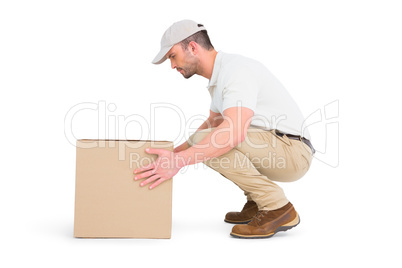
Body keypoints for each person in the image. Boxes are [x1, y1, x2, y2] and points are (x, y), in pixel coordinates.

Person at [133, 20, 315, 239]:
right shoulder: (219, 77)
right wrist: (175, 154)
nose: (172, 66)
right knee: (209, 137)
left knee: (215, 139)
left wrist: (179, 161)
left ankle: (277, 207)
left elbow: (233, 133)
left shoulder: (235, 71)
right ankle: (257, 201)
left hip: (292, 151)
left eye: (172, 56)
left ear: (192, 47)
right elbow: (213, 123)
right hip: (277, 146)